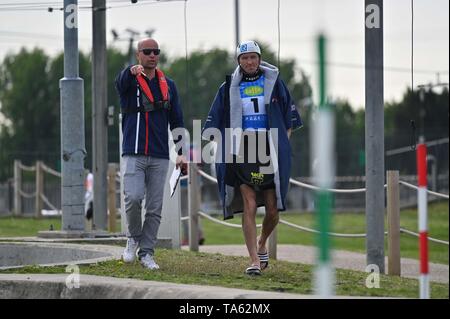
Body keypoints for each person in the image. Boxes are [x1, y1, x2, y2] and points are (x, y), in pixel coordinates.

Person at [202, 40, 302, 275]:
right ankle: (254, 260)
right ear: (238, 61)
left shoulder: (275, 83)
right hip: (242, 150)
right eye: (245, 58)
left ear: (259, 59)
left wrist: (281, 145)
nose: (249, 62)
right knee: (247, 203)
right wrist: (226, 148)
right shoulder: (227, 87)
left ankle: (261, 241)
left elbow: (290, 121)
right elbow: (212, 127)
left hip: (269, 149)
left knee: (272, 210)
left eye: (253, 57)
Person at [115, 38, 187, 270]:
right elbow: (119, 83)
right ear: (138, 54)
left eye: (156, 51)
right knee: (133, 198)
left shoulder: (170, 85)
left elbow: (177, 120)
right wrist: (129, 71)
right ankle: (133, 237)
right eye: (147, 52)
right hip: (133, 152)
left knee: (155, 208)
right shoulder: (130, 80)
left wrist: (181, 152)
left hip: (159, 155)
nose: (152, 55)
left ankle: (147, 253)